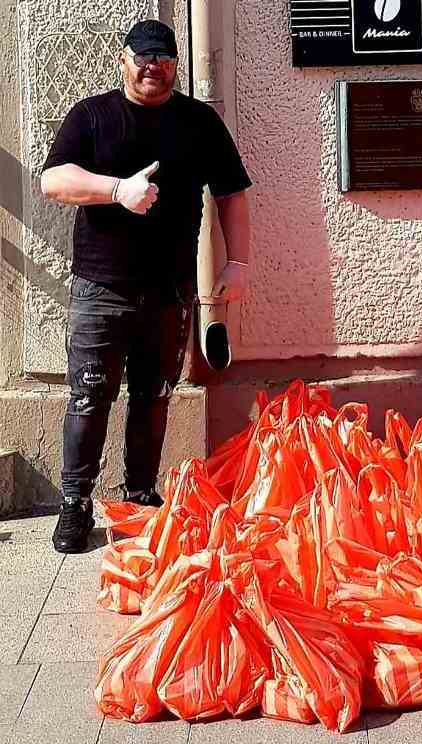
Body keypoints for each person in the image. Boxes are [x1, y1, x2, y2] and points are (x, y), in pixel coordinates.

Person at [41, 19, 252, 553]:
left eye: (161, 58)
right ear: (124, 59)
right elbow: (53, 180)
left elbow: (231, 193)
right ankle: (75, 506)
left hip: (170, 291)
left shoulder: (198, 122)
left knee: (153, 398)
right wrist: (117, 190)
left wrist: (240, 263)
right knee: (89, 398)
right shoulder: (93, 116)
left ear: (175, 65)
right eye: (141, 56)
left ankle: (139, 495)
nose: (151, 66)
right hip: (101, 290)